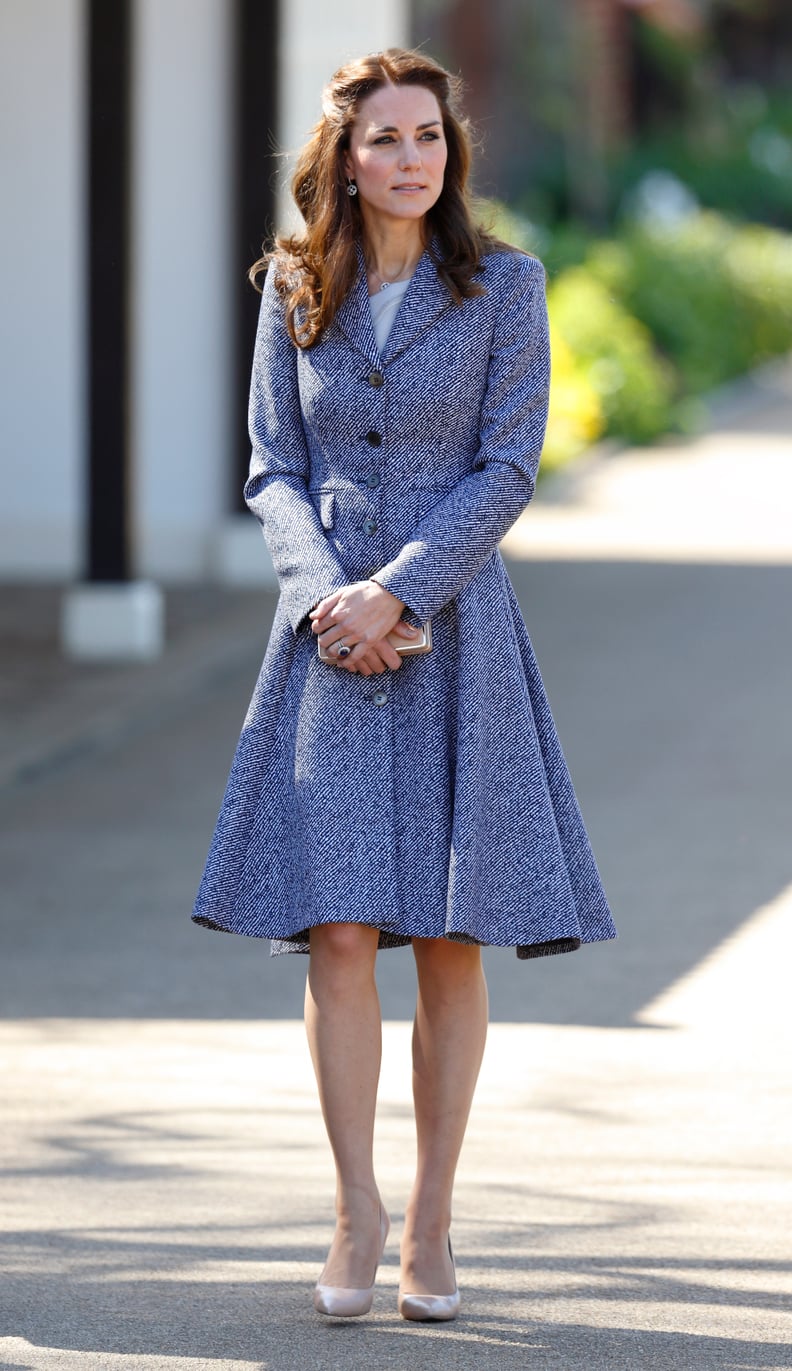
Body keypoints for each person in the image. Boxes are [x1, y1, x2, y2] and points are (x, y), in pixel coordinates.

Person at [193, 47, 616, 1322]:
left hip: (452, 634)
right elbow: (272, 465)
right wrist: (329, 596)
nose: (411, 158)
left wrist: (400, 591)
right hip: (324, 637)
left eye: (428, 136)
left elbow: (509, 463)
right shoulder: (291, 289)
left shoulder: (505, 289)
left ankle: (433, 1220)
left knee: (442, 935)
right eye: (385, 139)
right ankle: (353, 1211)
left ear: (453, 150)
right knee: (334, 930)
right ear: (344, 154)